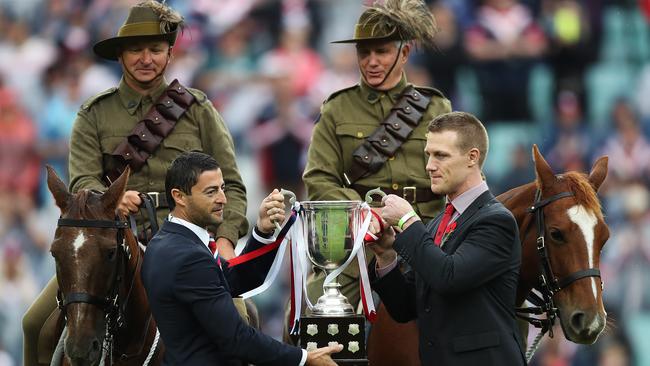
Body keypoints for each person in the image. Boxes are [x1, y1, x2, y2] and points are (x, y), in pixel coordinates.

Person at [22, 2, 248, 365]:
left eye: (156, 50)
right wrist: (110, 199)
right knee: (35, 325)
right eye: (136, 50)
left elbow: (233, 185)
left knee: (240, 315)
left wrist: (225, 240)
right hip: (110, 244)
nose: (147, 58)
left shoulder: (199, 110)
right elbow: (82, 180)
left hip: (187, 241)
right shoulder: (93, 113)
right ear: (121, 56)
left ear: (170, 53)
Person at [298, 0, 451, 338]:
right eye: (364, 53)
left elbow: (455, 175)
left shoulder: (435, 108)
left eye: (381, 51)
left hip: (424, 237)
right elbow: (319, 178)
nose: (371, 61)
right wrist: (365, 214)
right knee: (315, 321)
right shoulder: (337, 108)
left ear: (405, 52)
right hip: (357, 245)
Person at [142, 151, 342, 365]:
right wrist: (305, 358)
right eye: (211, 192)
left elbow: (231, 281)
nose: (223, 199)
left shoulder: (166, 242)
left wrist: (262, 231)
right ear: (179, 196)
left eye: (222, 188)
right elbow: (236, 338)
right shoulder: (188, 256)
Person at [368, 111, 525, 365]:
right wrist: (386, 256)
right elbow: (405, 308)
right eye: (428, 154)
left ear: (472, 157)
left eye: (441, 155)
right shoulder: (436, 224)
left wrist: (408, 220)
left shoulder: (496, 221)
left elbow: (448, 277)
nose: (429, 165)